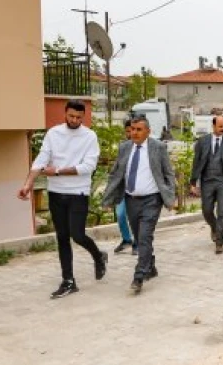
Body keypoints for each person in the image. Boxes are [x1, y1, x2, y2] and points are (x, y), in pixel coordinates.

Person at [17, 99, 107, 298]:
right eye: (71, 116)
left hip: (78, 193)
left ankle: (98, 255)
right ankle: (68, 281)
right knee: (62, 238)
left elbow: (88, 167)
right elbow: (41, 160)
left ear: (83, 117)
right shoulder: (53, 133)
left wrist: (57, 171)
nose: (74, 120)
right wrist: (28, 184)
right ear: (65, 114)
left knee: (78, 235)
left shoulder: (89, 136)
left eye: (78, 117)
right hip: (56, 193)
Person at [103, 117, 177, 294]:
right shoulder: (125, 148)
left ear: (148, 132)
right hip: (130, 199)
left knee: (144, 236)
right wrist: (107, 199)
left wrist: (170, 197)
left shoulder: (158, 147)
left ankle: (139, 275)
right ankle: (150, 265)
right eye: (133, 129)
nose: (134, 133)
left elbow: (168, 173)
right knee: (139, 236)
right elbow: (115, 174)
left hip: (152, 200)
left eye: (138, 130)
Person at [190, 115, 223, 254]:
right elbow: (196, 163)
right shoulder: (202, 141)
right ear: (213, 126)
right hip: (207, 181)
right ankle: (214, 227)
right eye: (220, 126)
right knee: (207, 210)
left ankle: (219, 241)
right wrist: (193, 182)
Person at [113, 119, 135, 255]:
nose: (130, 134)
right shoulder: (123, 147)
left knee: (135, 217)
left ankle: (138, 243)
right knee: (120, 214)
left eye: (132, 130)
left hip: (137, 189)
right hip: (123, 188)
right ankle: (127, 239)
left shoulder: (147, 146)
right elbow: (117, 167)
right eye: (127, 131)